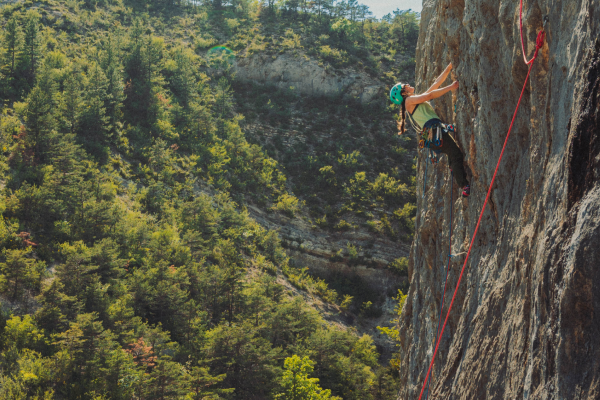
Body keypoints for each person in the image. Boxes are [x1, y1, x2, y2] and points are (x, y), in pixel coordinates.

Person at [389, 63, 470, 197]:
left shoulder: (412, 101)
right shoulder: (409, 101)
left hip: (434, 134)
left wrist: (448, 68)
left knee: (452, 153)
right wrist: (451, 87)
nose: (408, 84)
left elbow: (435, 84)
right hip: (435, 132)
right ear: (403, 93)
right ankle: (464, 185)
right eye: (405, 86)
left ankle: (454, 169)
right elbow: (429, 96)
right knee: (456, 154)